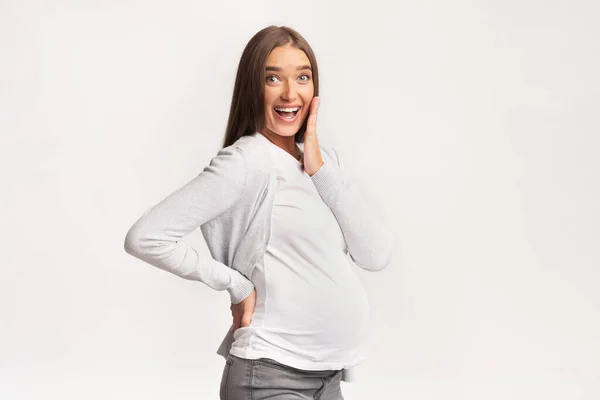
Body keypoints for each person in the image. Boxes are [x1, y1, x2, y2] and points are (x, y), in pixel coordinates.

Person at [124, 25, 394, 400]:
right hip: (269, 377)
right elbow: (145, 237)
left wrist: (320, 171)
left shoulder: (325, 163)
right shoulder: (247, 161)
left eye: (302, 76)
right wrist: (235, 283)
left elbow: (376, 254)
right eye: (272, 78)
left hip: (327, 379)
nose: (290, 93)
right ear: (254, 87)